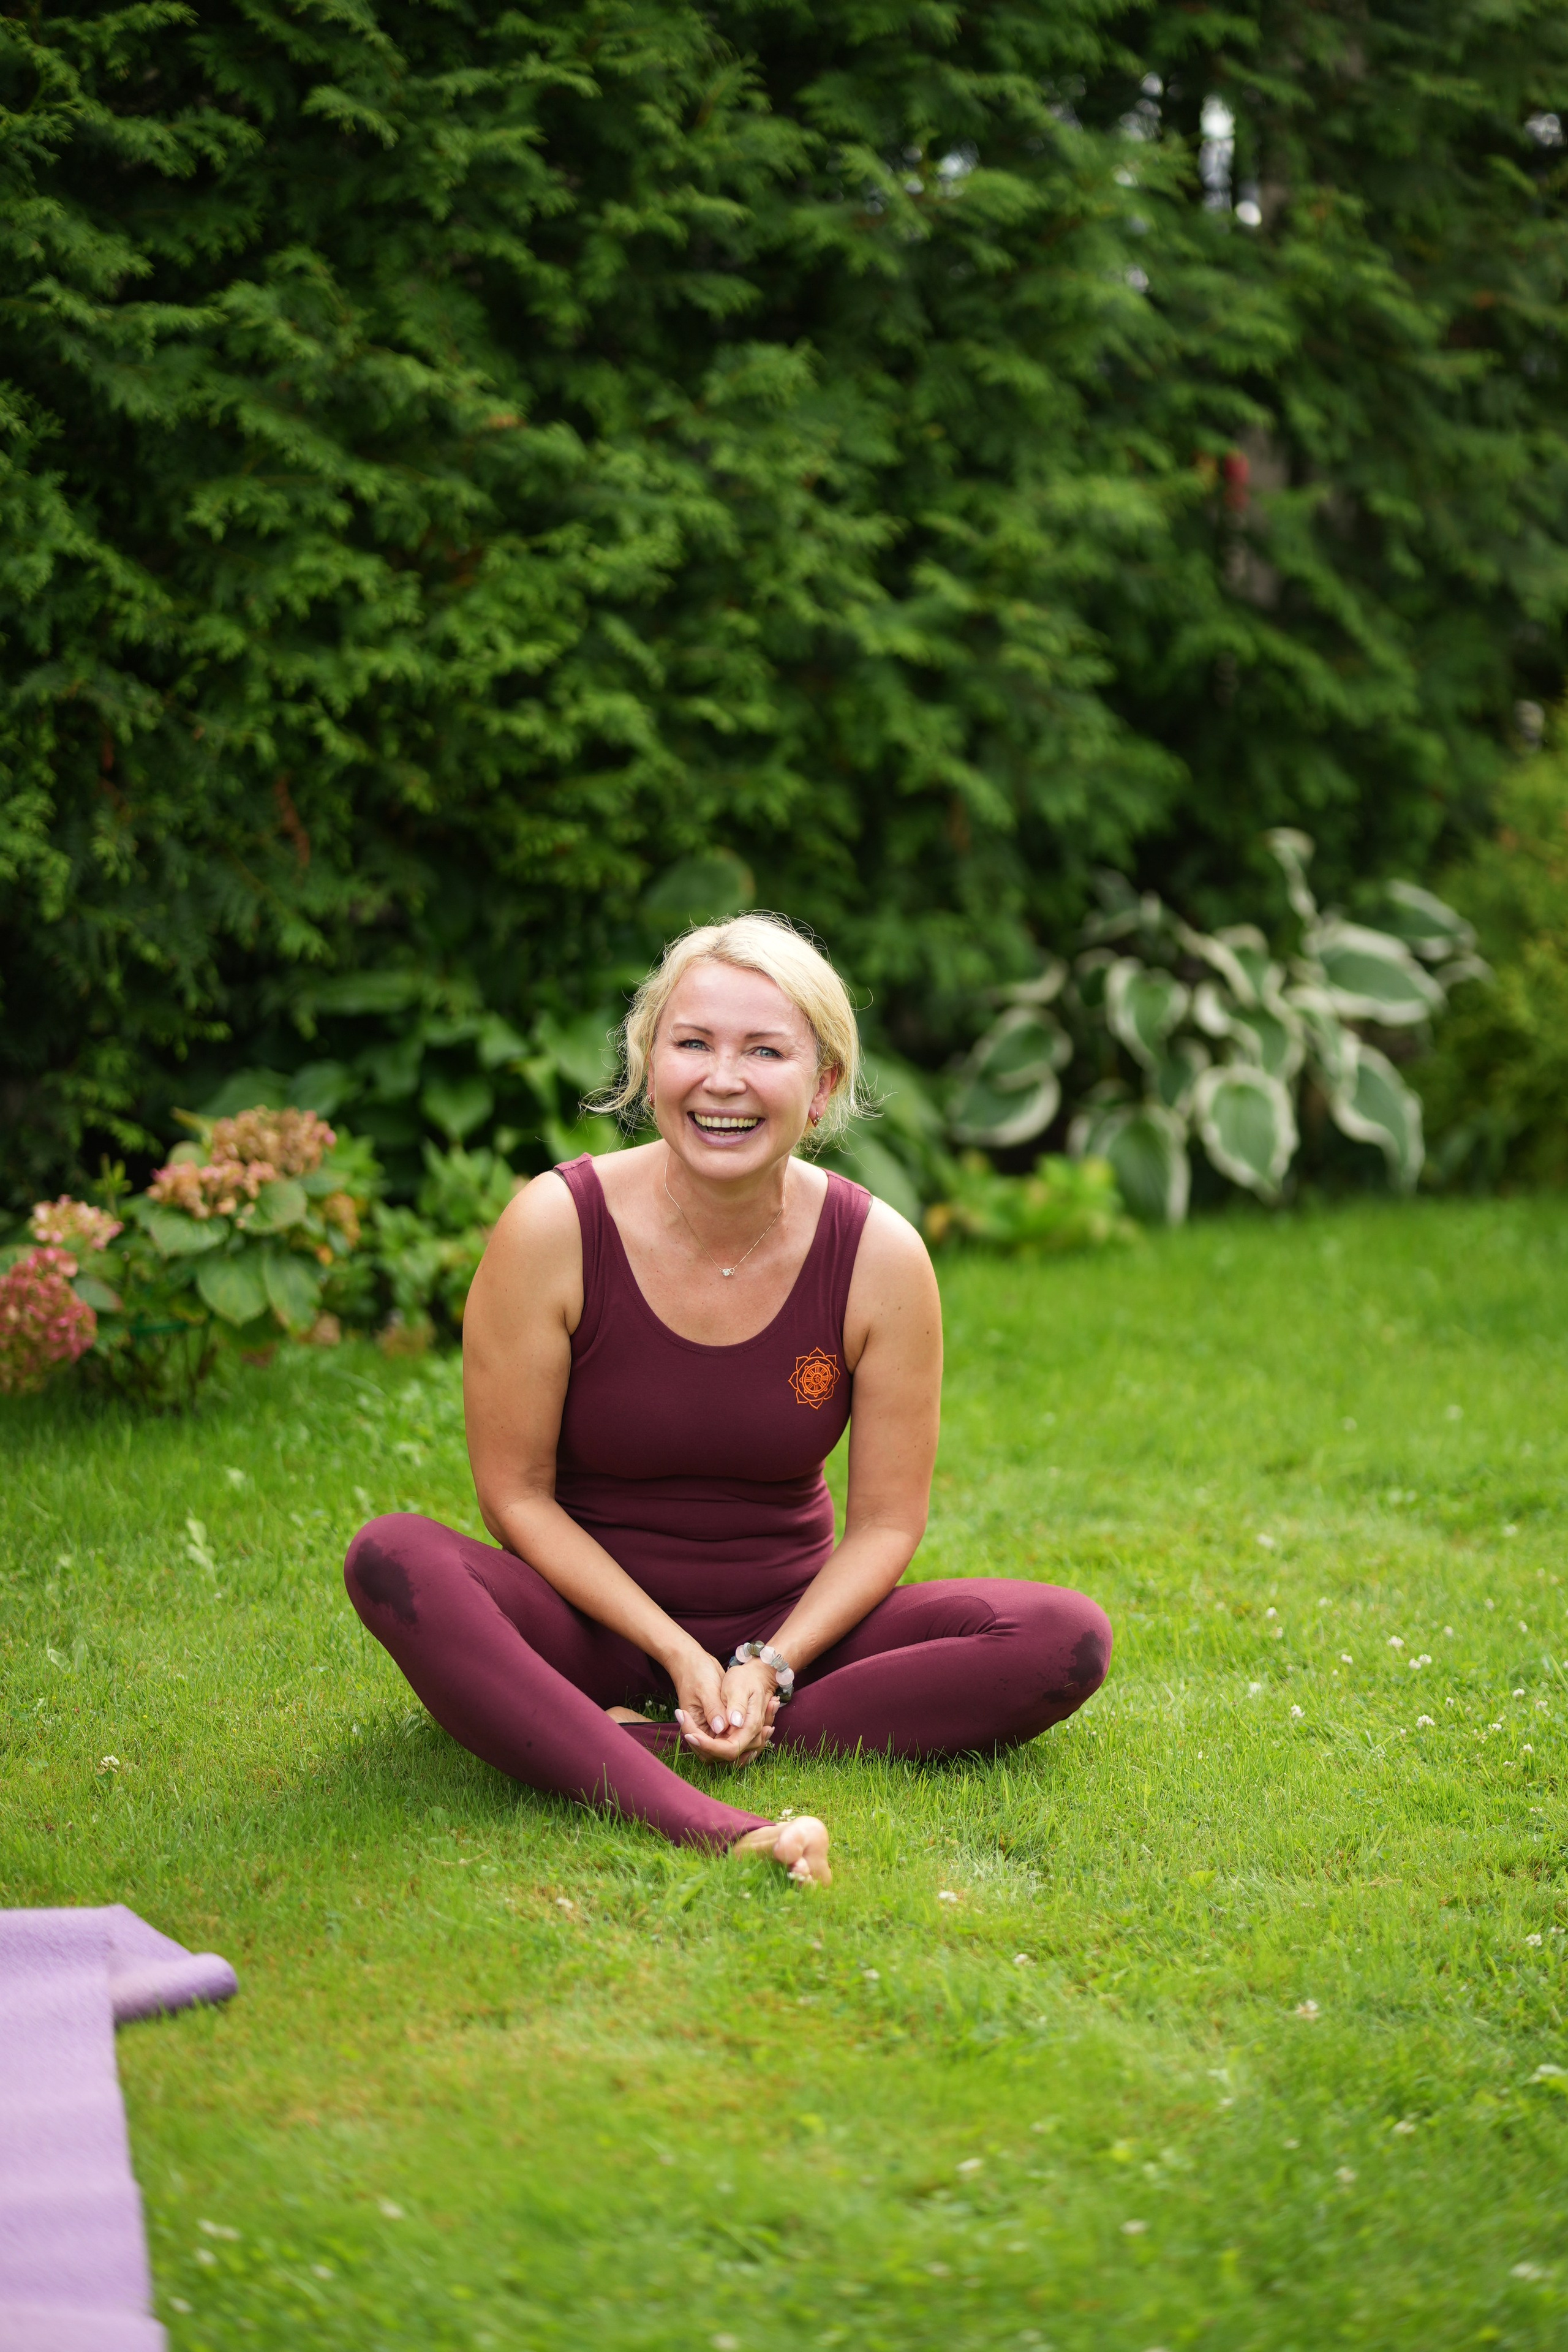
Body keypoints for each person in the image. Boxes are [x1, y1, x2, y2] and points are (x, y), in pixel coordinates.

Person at [345, 915, 1112, 1885]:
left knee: (1063, 1634)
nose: (723, 1080)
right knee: (393, 1557)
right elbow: (516, 1496)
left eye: (765, 1051)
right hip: (586, 1632)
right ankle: (712, 1815)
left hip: (796, 1639)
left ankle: (629, 1737)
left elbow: (885, 1524)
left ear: (823, 1084)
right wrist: (672, 1649)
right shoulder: (554, 1227)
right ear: (647, 1060)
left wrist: (767, 1667)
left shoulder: (879, 1256)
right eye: (693, 1043)